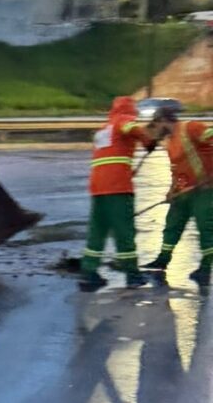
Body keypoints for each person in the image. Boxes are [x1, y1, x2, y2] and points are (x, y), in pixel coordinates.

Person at [79, 96, 164, 292]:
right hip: (117, 188)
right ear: (129, 110)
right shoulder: (123, 120)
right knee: (124, 231)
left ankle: (89, 274)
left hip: (98, 187)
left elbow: (112, 155)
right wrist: (149, 138)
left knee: (97, 232)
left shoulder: (103, 129)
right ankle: (133, 275)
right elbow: (132, 129)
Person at [142, 108, 213, 286]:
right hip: (184, 192)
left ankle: (205, 268)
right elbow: (177, 170)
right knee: (172, 225)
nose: (156, 130)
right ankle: (162, 259)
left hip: (204, 191)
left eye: (156, 125)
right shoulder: (170, 142)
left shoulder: (192, 128)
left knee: (206, 228)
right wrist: (171, 191)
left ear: (164, 120)